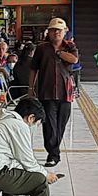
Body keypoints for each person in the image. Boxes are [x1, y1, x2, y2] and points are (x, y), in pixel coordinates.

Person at [29, 17, 79, 167]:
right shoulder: (42, 48)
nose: (56, 32)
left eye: (59, 30)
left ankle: (54, 150)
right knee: (49, 125)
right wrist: (31, 88)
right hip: (46, 91)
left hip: (66, 93)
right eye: (53, 30)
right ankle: (53, 154)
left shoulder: (70, 46)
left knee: (61, 125)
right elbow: (33, 69)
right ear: (48, 32)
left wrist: (59, 53)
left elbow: (74, 60)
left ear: (64, 32)